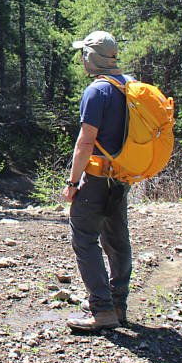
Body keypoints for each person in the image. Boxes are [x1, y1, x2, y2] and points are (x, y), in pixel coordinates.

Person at [62, 31, 132, 332]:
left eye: (83, 54)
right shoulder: (129, 85)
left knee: (84, 238)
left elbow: (85, 142)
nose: (81, 59)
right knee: (116, 239)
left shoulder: (96, 92)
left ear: (91, 57)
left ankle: (101, 309)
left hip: (96, 180)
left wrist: (73, 182)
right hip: (121, 177)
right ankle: (117, 303)